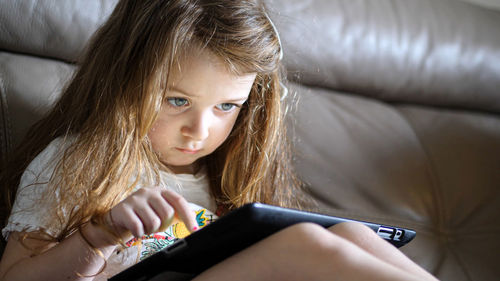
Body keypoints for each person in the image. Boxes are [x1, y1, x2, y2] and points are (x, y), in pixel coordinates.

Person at [0, 0, 438, 280]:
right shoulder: (75, 160)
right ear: (123, 82)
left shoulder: (223, 177)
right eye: (176, 100)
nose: (200, 130)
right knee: (304, 243)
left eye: (227, 107)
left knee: (353, 236)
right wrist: (99, 235)